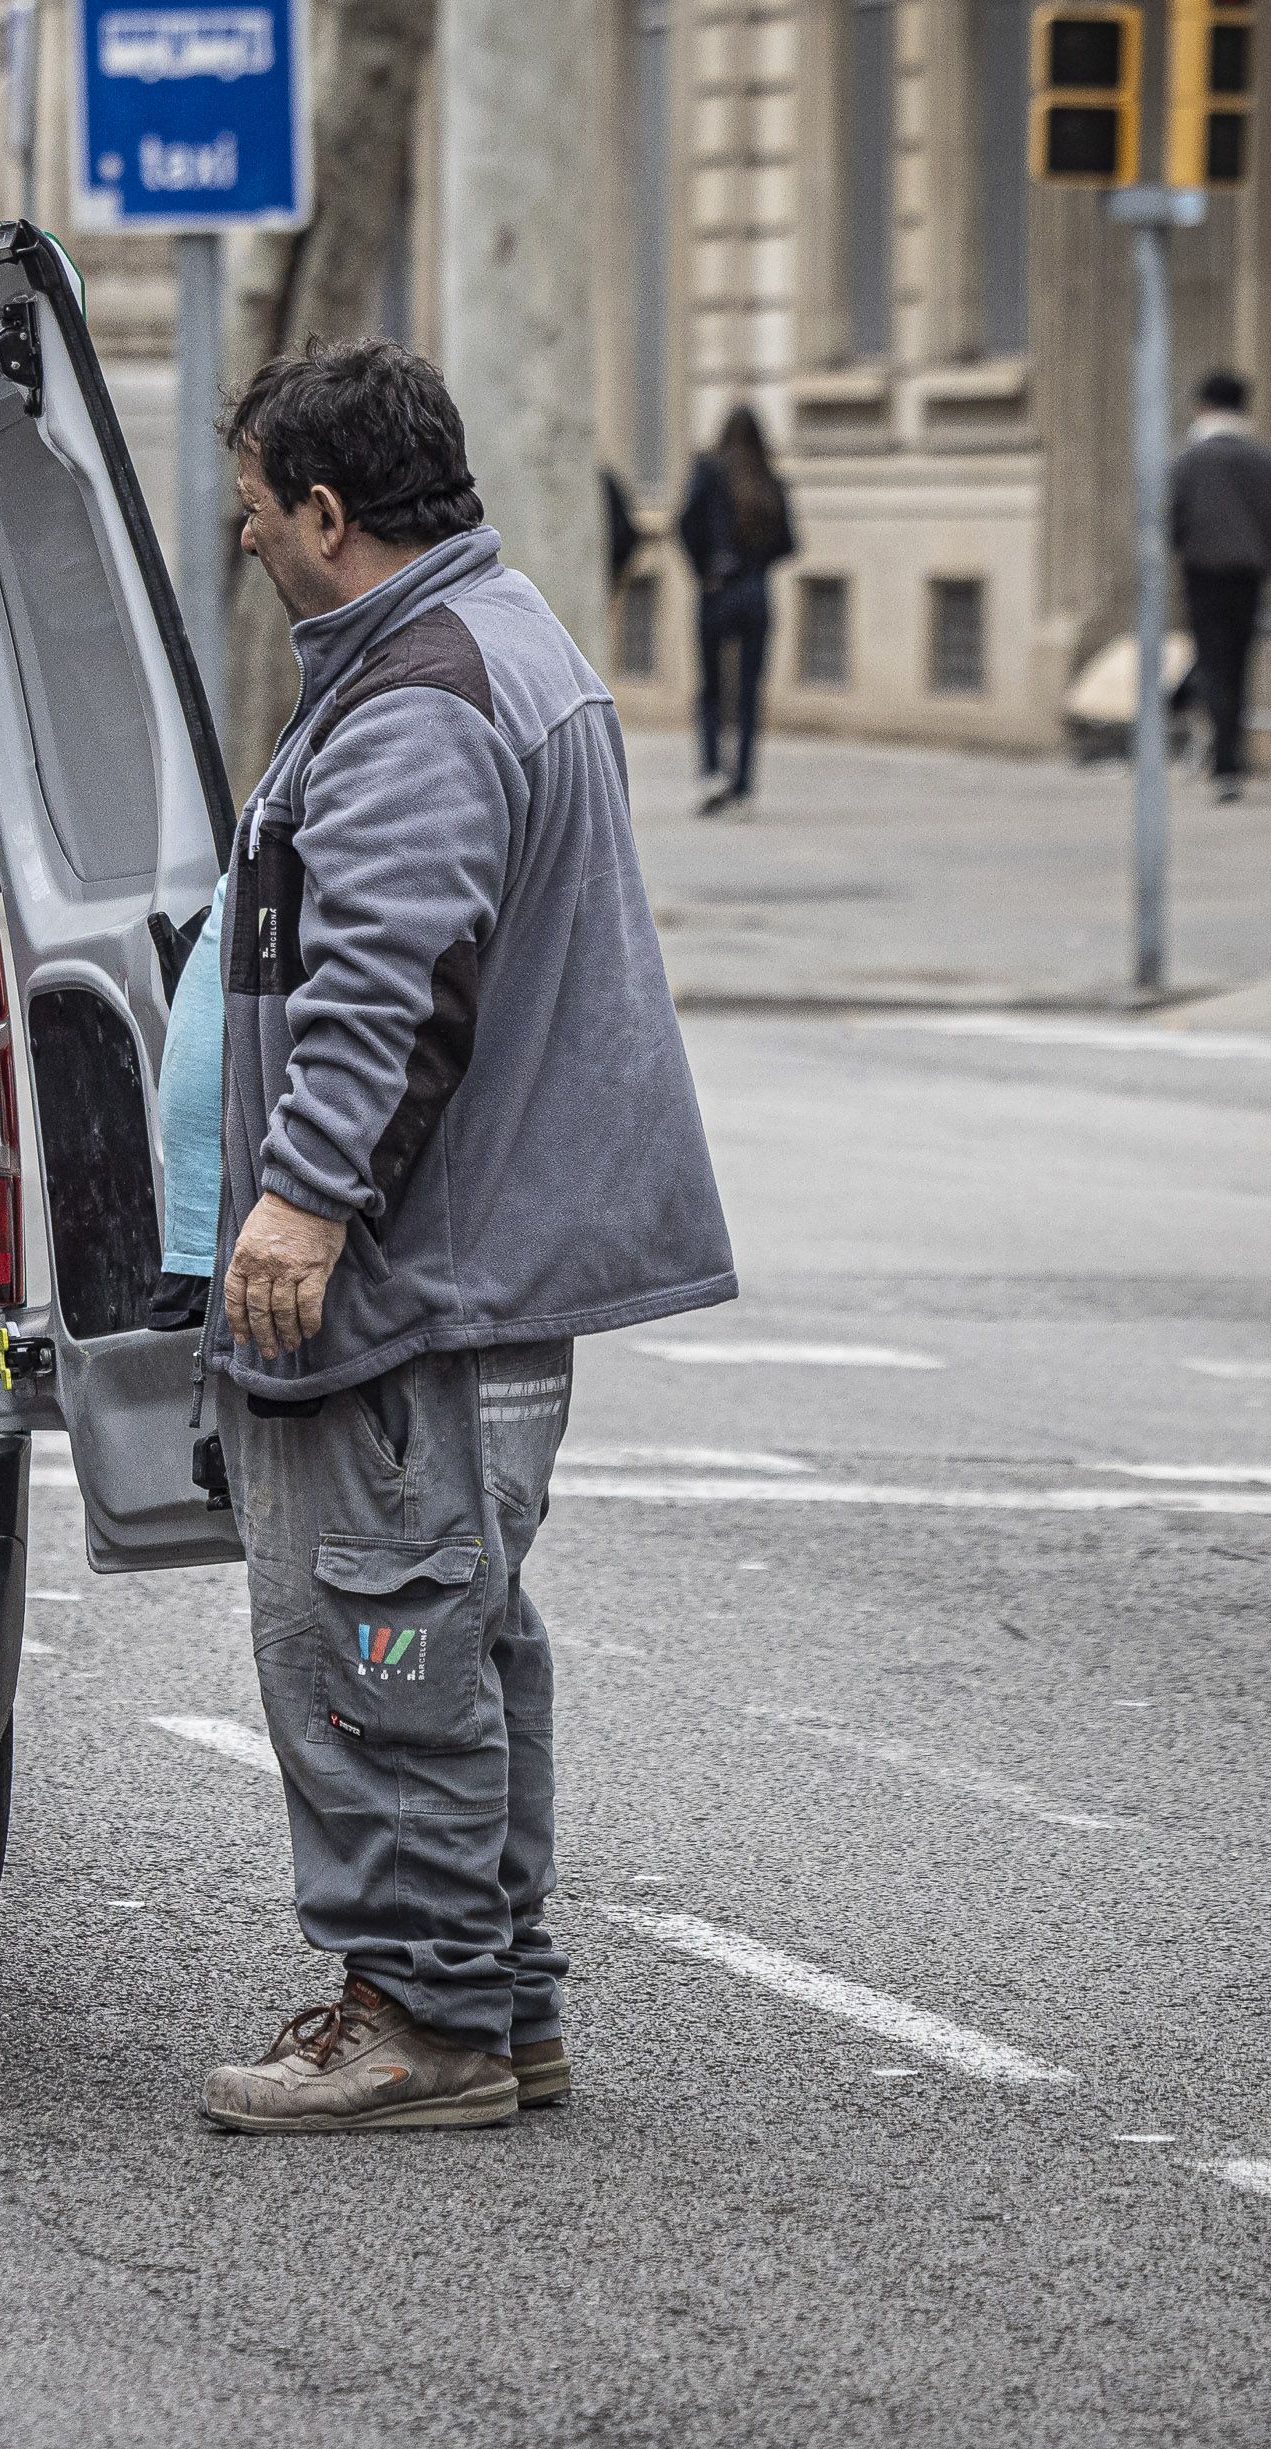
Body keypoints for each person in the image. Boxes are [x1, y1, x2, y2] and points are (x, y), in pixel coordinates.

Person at [197, 339, 735, 2135]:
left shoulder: (416, 690)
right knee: (451, 1624)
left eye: (260, 510)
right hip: (476, 1265)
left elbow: (389, 979)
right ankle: (491, 1994)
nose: (245, 537)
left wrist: (300, 1201)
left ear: (331, 514)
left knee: (379, 1635)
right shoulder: (496, 636)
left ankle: (418, 2013)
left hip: (416, 1276)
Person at [1169, 370, 1271, 802]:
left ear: (1204, 407)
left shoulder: (1191, 459)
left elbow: (1172, 515)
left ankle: (1221, 754)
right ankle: (1226, 754)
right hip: (1249, 574)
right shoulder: (1266, 460)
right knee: (1236, 664)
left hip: (1204, 572)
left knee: (1213, 659)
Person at [674, 406, 792, 814]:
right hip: (755, 592)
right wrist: (756, 562)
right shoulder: (769, 478)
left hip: (717, 590)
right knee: (748, 692)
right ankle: (741, 785)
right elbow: (788, 542)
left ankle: (711, 773)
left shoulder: (707, 471)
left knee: (710, 688)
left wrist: (704, 567)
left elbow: (684, 524)